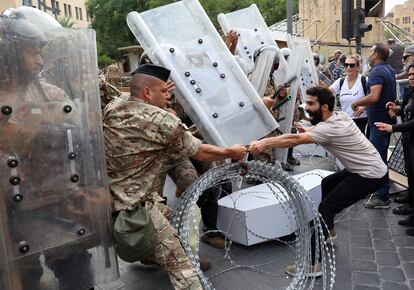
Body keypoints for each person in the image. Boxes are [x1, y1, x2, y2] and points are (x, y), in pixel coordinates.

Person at [103, 64, 247, 290]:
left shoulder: (114, 106)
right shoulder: (160, 119)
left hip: (112, 198)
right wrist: (232, 151)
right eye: (163, 91)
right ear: (148, 93)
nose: (167, 96)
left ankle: (160, 253)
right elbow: (200, 151)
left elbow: (127, 93)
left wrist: (155, 88)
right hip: (137, 208)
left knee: (178, 220)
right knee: (183, 270)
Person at [0, 15, 108, 290]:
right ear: (8, 52)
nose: (39, 60)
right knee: (24, 279)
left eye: (40, 51)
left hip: (54, 207)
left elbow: (84, 139)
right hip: (9, 216)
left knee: (77, 273)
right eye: (31, 51)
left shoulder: (49, 94)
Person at [249, 86, 387, 276]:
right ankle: (329, 229)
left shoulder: (330, 128)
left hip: (369, 175)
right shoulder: (338, 116)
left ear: (324, 107)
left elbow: (295, 140)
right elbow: (317, 129)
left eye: (311, 103)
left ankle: (313, 264)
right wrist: (307, 128)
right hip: (367, 169)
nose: (306, 107)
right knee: (327, 183)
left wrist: (265, 142)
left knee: (326, 208)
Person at [351, 43, 396, 209]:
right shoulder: (389, 69)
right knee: (378, 157)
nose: (369, 56)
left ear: (376, 55)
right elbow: (384, 96)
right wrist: (365, 106)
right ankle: (378, 190)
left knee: (379, 159)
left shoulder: (377, 71)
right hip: (383, 120)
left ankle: (383, 196)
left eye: (371, 53)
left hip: (379, 123)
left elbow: (375, 96)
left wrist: (357, 102)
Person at [375, 63, 414, 222]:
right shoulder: (411, 92)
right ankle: (411, 204)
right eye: (410, 74)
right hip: (409, 140)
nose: (411, 77)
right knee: (410, 172)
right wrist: (397, 108)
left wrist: (393, 128)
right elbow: (407, 111)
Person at [329, 55, 368, 134]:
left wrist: (364, 107)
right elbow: (328, 92)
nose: (348, 68)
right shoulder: (341, 81)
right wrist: (322, 88)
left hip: (361, 121)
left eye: (352, 65)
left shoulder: (364, 80)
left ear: (357, 67)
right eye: (346, 65)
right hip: (345, 121)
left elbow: (374, 97)